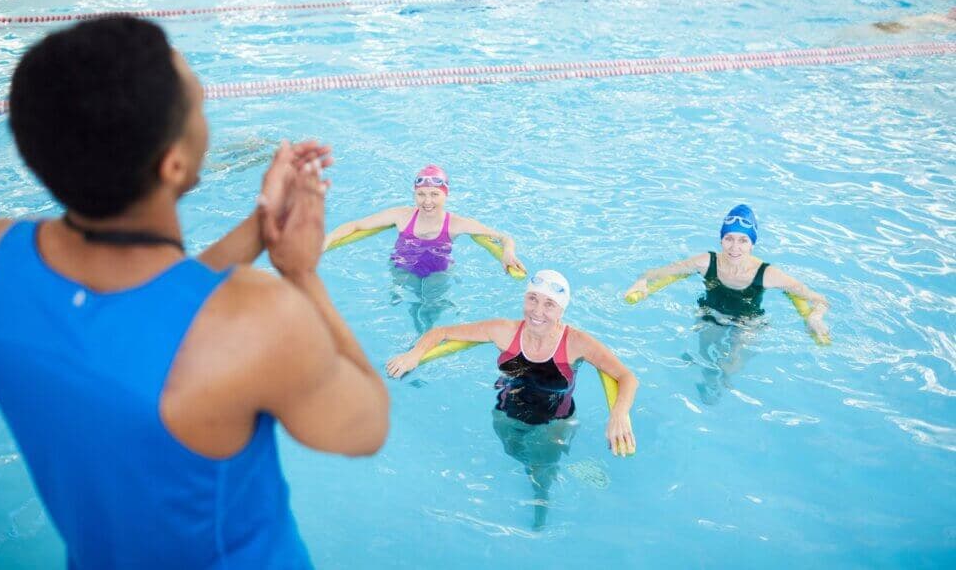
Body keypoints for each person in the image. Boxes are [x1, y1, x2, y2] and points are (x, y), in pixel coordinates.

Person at [0, 17, 389, 569]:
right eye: (199, 107)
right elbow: (364, 426)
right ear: (176, 163)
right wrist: (299, 271)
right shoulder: (259, 320)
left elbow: (137, 325)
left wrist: (258, 230)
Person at [385, 270, 638, 529]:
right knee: (514, 452)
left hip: (553, 424)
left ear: (561, 310)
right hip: (506, 413)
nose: (537, 311)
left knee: (540, 473)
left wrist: (618, 414)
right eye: (532, 299)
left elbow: (626, 377)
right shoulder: (503, 331)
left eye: (549, 304)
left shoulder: (576, 343)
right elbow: (442, 332)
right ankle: (556, 465)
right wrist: (413, 355)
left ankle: (544, 498)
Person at [624, 204, 829, 404]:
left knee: (731, 364)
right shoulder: (706, 262)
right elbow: (659, 273)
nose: (735, 247)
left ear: (752, 244)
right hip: (711, 314)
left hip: (749, 321)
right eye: (729, 238)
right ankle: (709, 382)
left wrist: (814, 317)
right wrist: (641, 282)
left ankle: (726, 378)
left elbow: (819, 300)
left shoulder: (767, 274)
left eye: (743, 240)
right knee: (707, 357)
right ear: (721, 240)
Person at [324, 165, 526, 332]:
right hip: (403, 267)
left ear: (445, 195)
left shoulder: (456, 223)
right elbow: (355, 225)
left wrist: (508, 252)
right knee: (411, 307)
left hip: (438, 271)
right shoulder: (401, 215)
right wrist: (326, 240)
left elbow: (502, 237)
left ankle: (423, 337)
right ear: (415, 194)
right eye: (421, 194)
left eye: (434, 194)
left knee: (429, 310)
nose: (427, 201)